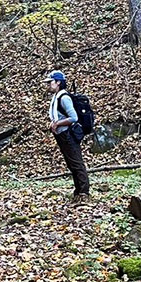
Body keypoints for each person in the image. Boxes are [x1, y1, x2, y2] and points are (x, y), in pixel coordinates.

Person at [45, 70, 90, 201]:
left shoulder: (64, 98)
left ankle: (84, 192)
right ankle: (78, 191)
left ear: (58, 82)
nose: (48, 85)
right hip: (62, 135)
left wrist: (57, 123)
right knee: (71, 164)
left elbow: (73, 118)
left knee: (76, 163)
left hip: (68, 134)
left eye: (50, 82)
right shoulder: (57, 96)